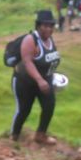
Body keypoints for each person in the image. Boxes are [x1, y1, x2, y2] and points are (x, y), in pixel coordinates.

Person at [10, 10, 61, 144]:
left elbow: (49, 60)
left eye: (51, 26)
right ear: (38, 26)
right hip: (24, 82)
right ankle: (14, 136)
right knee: (24, 110)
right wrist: (39, 80)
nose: (48, 29)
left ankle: (41, 134)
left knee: (49, 106)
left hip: (45, 80)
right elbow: (27, 62)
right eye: (45, 25)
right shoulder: (31, 39)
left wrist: (52, 77)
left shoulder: (50, 40)